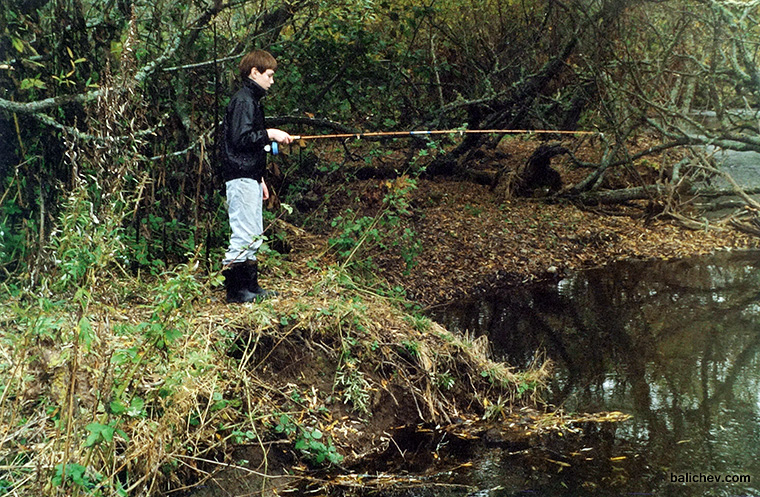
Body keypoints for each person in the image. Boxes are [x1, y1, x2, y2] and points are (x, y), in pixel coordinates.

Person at [220, 49, 293, 303]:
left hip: (248, 176)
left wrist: (260, 178)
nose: (272, 81)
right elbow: (241, 139)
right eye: (269, 75)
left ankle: (251, 287)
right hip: (238, 175)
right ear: (254, 73)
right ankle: (236, 292)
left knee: (254, 232)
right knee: (243, 232)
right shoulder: (243, 101)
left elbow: (250, 144)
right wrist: (271, 133)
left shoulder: (252, 101)